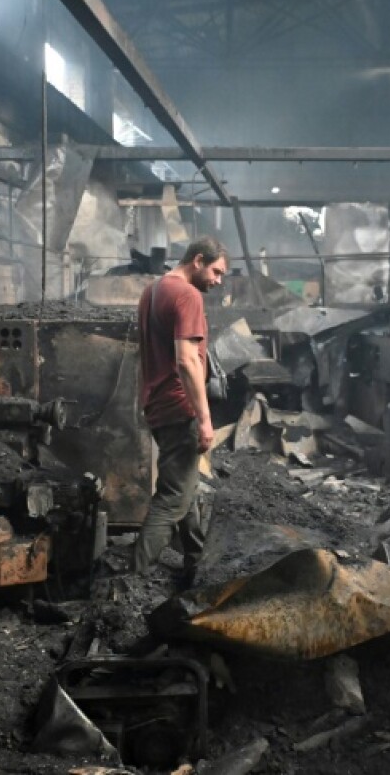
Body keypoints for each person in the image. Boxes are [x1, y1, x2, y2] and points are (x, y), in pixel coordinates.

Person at [133, 236, 228, 583]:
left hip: (158, 403)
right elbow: (187, 361)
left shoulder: (153, 289)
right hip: (179, 406)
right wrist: (204, 418)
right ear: (199, 260)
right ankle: (135, 578)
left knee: (183, 485)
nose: (217, 281)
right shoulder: (187, 295)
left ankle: (195, 562)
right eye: (216, 272)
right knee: (172, 498)